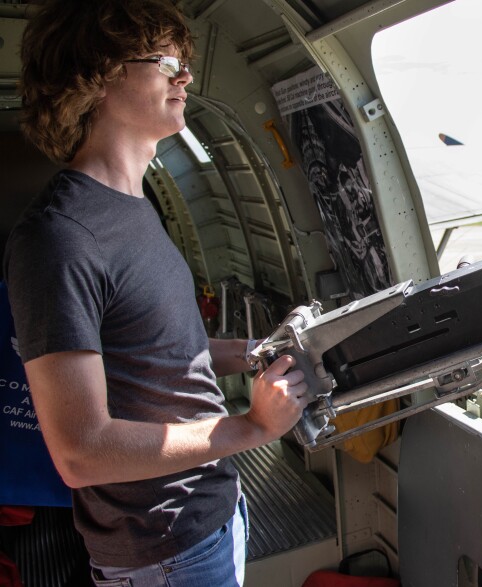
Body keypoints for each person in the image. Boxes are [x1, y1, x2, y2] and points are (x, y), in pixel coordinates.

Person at [2, 1, 310, 585]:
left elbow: (159, 348)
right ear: (94, 79)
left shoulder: (134, 206)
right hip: (162, 551)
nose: (185, 76)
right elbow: (81, 452)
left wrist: (256, 351)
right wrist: (253, 428)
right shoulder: (58, 237)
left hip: (209, 516)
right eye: (165, 60)